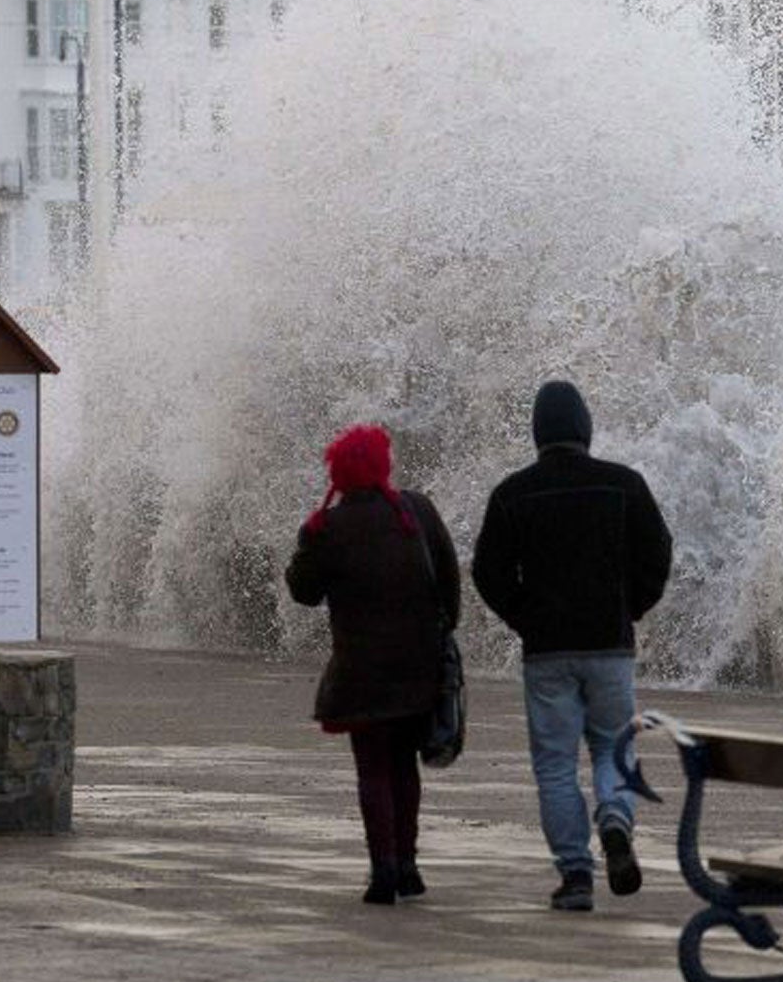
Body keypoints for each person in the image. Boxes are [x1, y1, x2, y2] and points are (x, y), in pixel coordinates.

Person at [473, 380, 671, 912]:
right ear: (585, 428)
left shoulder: (513, 494)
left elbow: (486, 571)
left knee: (556, 765)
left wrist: (524, 617)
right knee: (613, 748)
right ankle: (614, 819)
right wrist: (632, 607)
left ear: (538, 433)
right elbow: (658, 552)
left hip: (548, 654)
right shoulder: (623, 485)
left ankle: (576, 875)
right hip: (609, 646)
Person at [285, 423, 461, 906]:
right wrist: (441, 636)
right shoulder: (416, 511)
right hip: (416, 667)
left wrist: (309, 539)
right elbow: (448, 580)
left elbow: (303, 591)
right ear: (383, 466)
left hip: (360, 672)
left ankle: (382, 867)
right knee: (405, 767)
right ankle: (407, 864)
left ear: (338, 474)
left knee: (373, 770)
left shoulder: (330, 527)